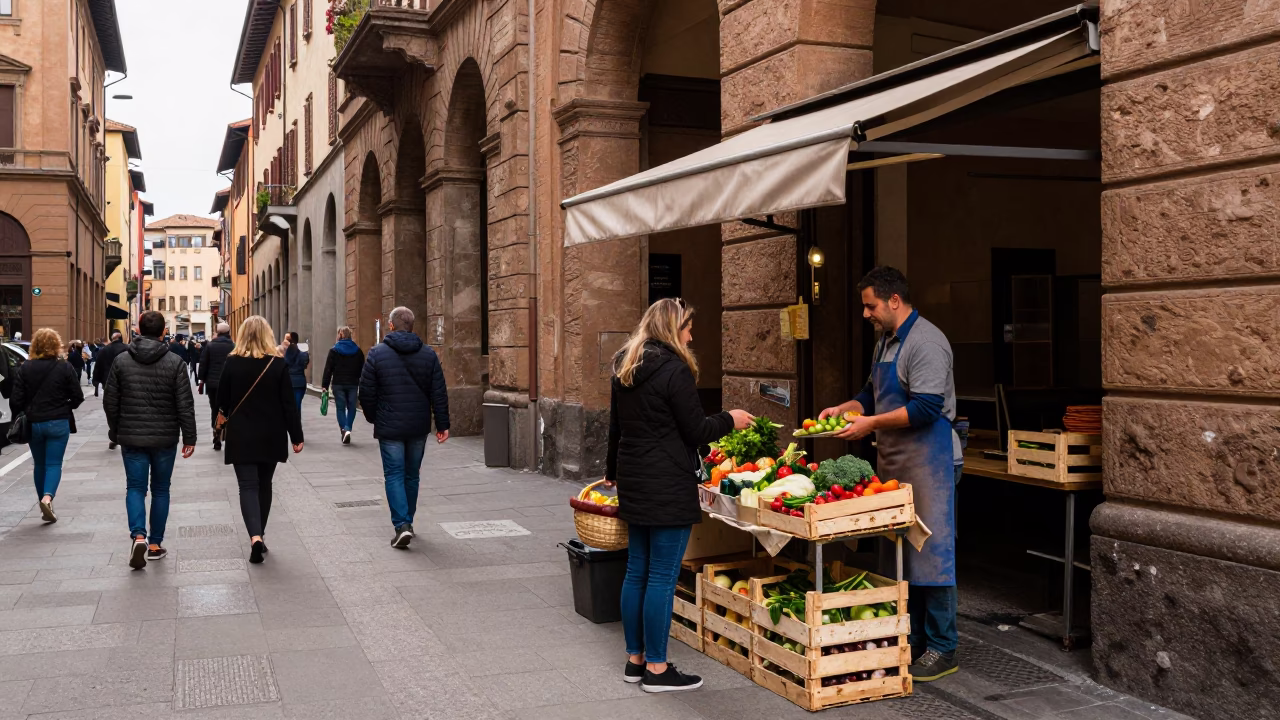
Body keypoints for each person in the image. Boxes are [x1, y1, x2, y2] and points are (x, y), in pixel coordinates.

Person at [819, 266, 961, 682]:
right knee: (903, 555)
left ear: (894, 301)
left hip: (932, 462)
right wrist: (849, 408)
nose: (866, 314)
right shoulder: (885, 342)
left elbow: (926, 409)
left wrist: (869, 426)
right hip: (897, 463)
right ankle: (913, 638)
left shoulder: (928, 342)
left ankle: (943, 646)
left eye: (871, 306)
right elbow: (871, 394)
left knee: (933, 554)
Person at [604, 297, 752, 693]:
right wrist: (730, 420)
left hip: (635, 479)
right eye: (688, 327)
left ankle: (635, 660)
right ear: (673, 328)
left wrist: (610, 474)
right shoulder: (675, 369)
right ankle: (657, 668)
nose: (691, 335)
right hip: (667, 482)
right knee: (662, 577)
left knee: (637, 570)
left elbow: (615, 428)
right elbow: (697, 431)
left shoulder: (625, 364)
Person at [103, 310, 197, 570]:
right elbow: (184, 404)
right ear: (164, 332)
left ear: (138, 330)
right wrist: (189, 436)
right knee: (161, 489)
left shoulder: (122, 360)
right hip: (165, 437)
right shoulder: (175, 362)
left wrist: (115, 430)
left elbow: (110, 400)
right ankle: (155, 544)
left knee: (135, 487)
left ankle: (139, 536)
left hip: (131, 435)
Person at [358, 306, 449, 548]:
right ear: (412, 326)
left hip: (389, 425)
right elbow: (438, 392)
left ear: (390, 325)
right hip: (418, 424)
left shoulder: (377, 354)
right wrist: (442, 424)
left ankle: (402, 525)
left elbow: (366, 392)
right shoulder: (428, 354)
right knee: (411, 475)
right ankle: (408, 521)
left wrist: (373, 417)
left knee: (394, 474)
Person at [217, 316, 304, 564]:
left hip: (241, 434)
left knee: (247, 486)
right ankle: (261, 536)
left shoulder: (232, 363)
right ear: (268, 335)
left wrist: (220, 420)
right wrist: (296, 437)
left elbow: (221, 400)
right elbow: (289, 405)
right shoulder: (277, 364)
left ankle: (255, 537)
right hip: (271, 433)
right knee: (264, 485)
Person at [11, 328, 84, 523]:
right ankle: (47, 497)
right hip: (59, 421)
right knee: (54, 464)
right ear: (56, 345)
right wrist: (65, 406)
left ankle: (42, 502)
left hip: (35, 422)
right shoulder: (65, 367)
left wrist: (24, 410)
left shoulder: (25, 368)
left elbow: (16, 399)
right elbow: (78, 396)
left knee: (40, 464)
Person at [321, 326, 364, 445]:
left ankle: (344, 430)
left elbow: (328, 369)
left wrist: (324, 384)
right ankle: (348, 428)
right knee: (352, 407)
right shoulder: (357, 350)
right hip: (353, 383)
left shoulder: (334, 350)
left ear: (340, 335)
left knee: (340, 408)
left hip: (338, 383)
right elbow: (362, 368)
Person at [198, 323, 235, 450]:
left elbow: (203, 363)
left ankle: (216, 434)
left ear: (217, 332)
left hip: (213, 384)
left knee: (215, 408)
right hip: (229, 384)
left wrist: (201, 380)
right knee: (228, 409)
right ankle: (228, 435)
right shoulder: (233, 345)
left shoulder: (210, 345)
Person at [93, 332, 128, 406]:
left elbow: (98, 366)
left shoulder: (104, 350)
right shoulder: (127, 348)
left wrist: (96, 380)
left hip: (107, 380)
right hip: (124, 379)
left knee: (110, 402)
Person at [282, 332, 309, 409]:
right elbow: (305, 363)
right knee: (297, 406)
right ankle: (297, 420)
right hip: (300, 381)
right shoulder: (302, 353)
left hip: (288, 381)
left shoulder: (284, 352)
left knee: (289, 407)